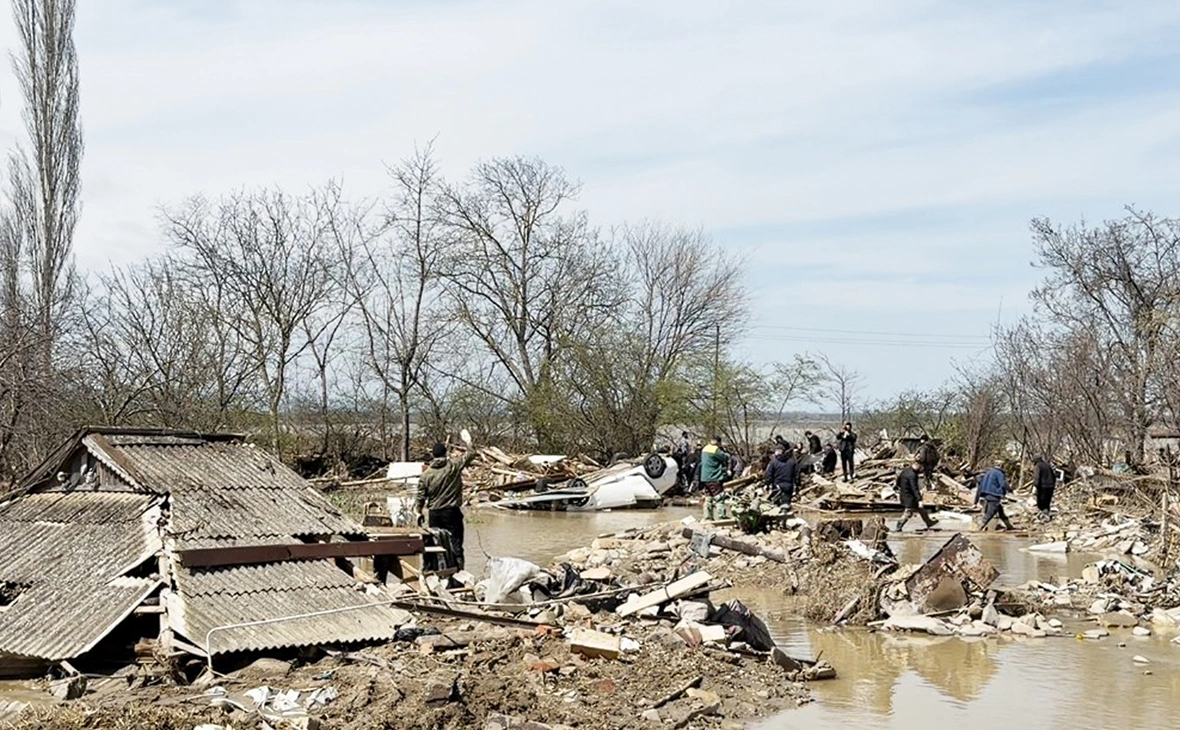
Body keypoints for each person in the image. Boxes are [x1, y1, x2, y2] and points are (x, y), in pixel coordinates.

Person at [415, 437, 479, 570]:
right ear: (446, 453)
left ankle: (432, 570)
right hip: (451, 512)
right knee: (456, 543)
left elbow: (420, 497)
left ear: (433, 455)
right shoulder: (453, 466)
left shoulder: (426, 475)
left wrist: (418, 511)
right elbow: (472, 453)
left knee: (434, 543)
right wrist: (468, 442)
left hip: (434, 513)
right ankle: (458, 570)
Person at [896, 457, 938, 531]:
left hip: (904, 494)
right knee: (908, 512)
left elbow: (898, 482)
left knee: (921, 510)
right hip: (910, 497)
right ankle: (899, 526)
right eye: (922, 467)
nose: (922, 469)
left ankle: (929, 522)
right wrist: (919, 499)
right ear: (919, 465)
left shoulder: (905, 471)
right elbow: (914, 488)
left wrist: (903, 488)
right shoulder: (913, 475)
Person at [976, 459, 1014, 531]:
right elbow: (1003, 484)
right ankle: (979, 527)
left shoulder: (988, 472)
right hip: (994, 494)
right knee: (990, 512)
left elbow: (981, 484)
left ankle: (1009, 526)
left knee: (1000, 511)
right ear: (1001, 466)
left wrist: (977, 498)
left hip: (986, 494)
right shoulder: (999, 474)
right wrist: (1009, 489)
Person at [699, 435, 731, 519]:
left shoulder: (704, 449)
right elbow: (725, 457)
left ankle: (707, 517)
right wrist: (724, 450)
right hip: (714, 476)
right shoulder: (715, 450)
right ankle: (722, 516)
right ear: (719, 442)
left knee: (708, 497)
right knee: (719, 496)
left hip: (705, 477)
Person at [1034, 455, 1057, 520]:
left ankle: (1043, 515)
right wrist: (1053, 484)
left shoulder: (1038, 466)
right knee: (1047, 501)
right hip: (1050, 486)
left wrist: (1036, 486)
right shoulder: (1047, 465)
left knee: (1041, 502)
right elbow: (1054, 475)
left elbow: (1037, 477)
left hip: (1042, 486)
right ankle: (1047, 514)